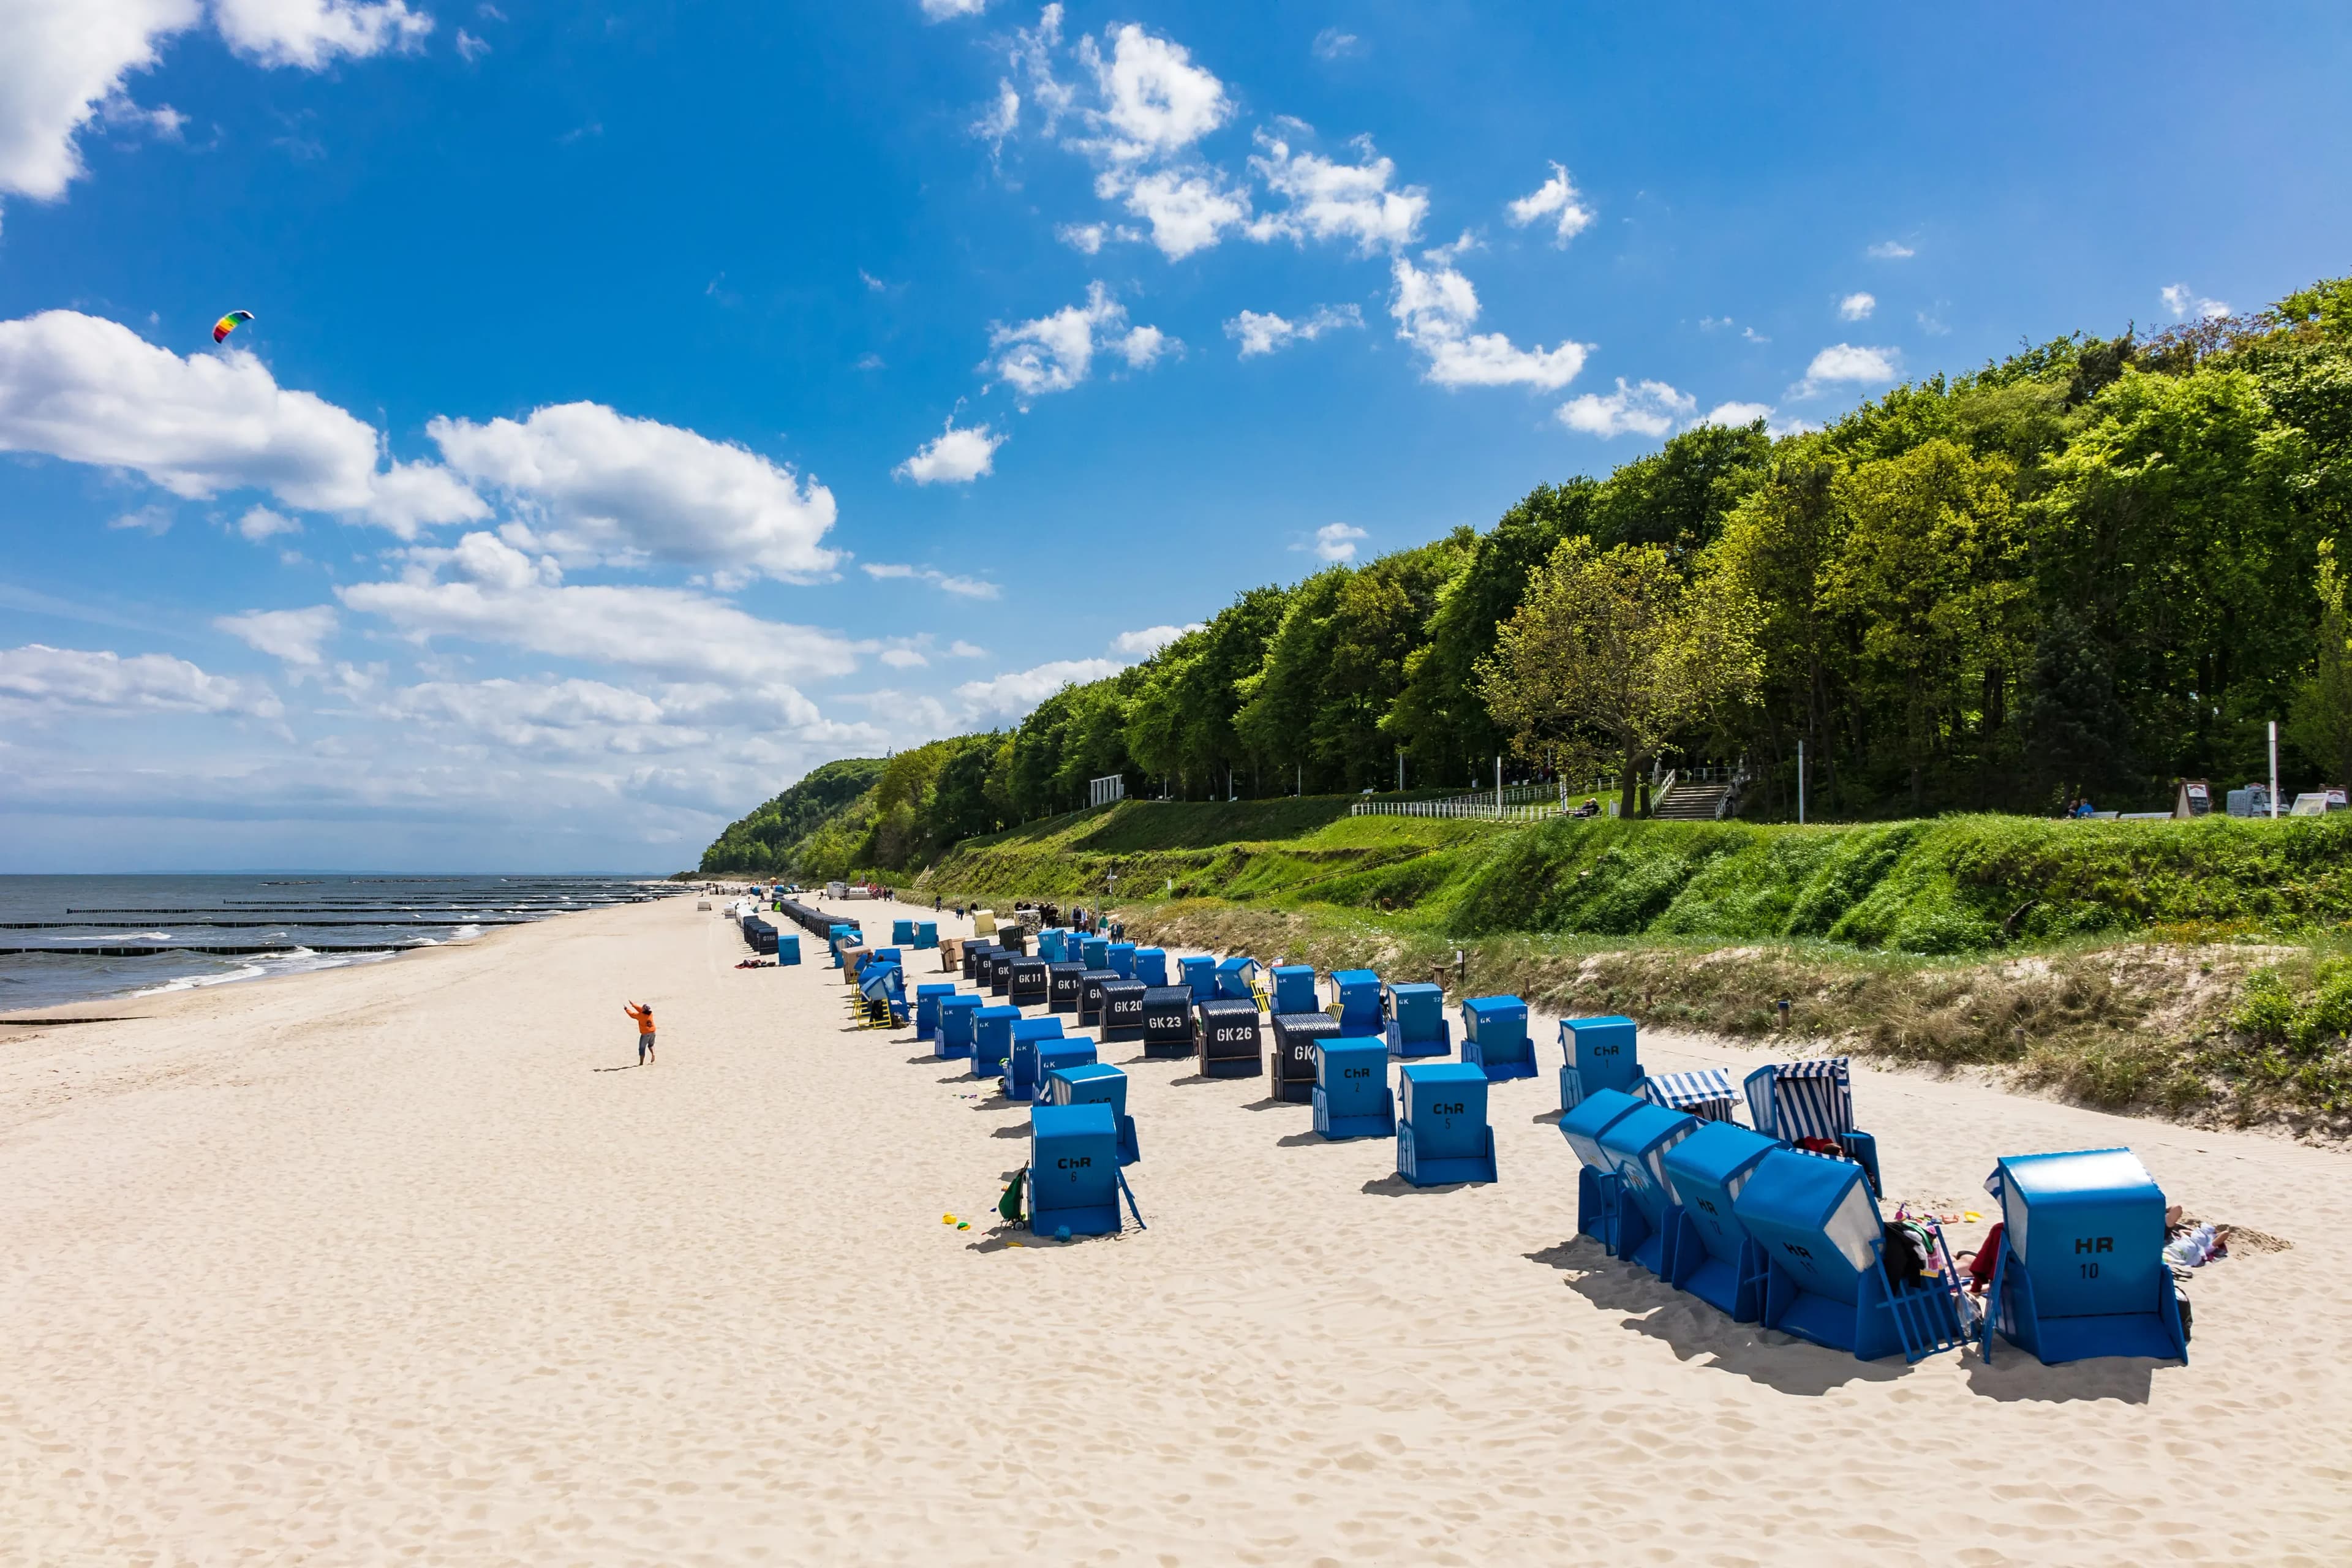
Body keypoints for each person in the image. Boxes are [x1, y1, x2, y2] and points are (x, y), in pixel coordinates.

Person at [623, 1000, 657, 1065]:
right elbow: (641, 1009)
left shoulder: (640, 1016)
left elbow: (632, 1015)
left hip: (645, 1034)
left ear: (644, 1010)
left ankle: (641, 1063)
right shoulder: (651, 1014)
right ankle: (653, 1054)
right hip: (653, 1032)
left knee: (642, 1048)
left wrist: (626, 1009)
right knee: (651, 1045)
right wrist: (633, 1005)